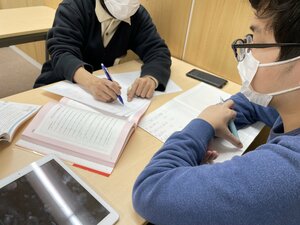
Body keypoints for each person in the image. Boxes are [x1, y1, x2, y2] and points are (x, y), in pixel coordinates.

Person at [132, 0, 300, 224]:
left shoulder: (287, 174)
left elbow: (150, 189)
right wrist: (221, 114)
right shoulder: (291, 106)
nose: (247, 51)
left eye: (257, 40)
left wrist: (202, 124)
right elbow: (250, 102)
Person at [34, 0, 171, 102]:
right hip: (58, 84)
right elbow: (61, 53)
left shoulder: (137, 15)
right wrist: (91, 82)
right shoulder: (74, 6)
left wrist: (150, 78)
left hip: (102, 96)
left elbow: (157, 50)